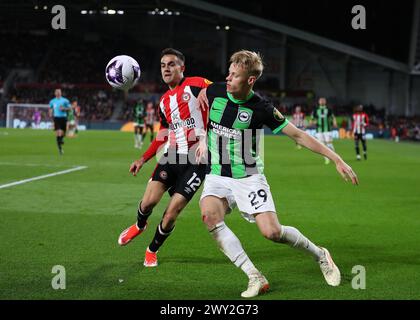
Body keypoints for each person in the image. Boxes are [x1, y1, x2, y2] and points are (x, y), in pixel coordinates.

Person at [195, 50, 358, 298]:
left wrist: (335, 158)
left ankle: (321, 255)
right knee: (209, 216)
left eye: (235, 75)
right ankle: (254, 276)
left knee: (272, 232)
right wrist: (201, 137)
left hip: (248, 177)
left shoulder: (262, 108)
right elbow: (199, 102)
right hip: (217, 175)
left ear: (250, 80)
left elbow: (299, 135)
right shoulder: (215, 91)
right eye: (228, 72)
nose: (228, 78)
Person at [118, 48, 212, 267]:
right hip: (172, 156)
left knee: (171, 213)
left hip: (197, 161)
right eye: (163, 65)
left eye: (171, 64)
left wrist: (212, 93)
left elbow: (225, 90)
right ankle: (140, 225)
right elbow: (162, 134)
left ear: (182, 68)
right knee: (148, 201)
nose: (166, 68)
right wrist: (143, 159)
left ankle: (152, 250)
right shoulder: (163, 102)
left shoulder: (198, 84)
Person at [310, 97, 337, 164]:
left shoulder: (328, 109)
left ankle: (335, 158)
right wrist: (313, 122)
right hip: (319, 130)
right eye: (320, 100)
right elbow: (311, 120)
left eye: (323, 100)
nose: (322, 101)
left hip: (327, 130)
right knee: (322, 145)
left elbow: (333, 117)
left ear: (325, 102)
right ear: (319, 102)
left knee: (329, 143)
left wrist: (334, 122)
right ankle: (327, 158)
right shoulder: (316, 110)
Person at [49, 88, 71, 155]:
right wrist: (50, 114)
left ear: (61, 93)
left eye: (59, 92)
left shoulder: (65, 100)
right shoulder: (52, 101)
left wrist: (64, 108)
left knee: (64, 132)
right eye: (57, 92)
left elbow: (70, 108)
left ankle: (61, 139)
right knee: (58, 132)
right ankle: (60, 149)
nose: (58, 93)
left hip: (63, 118)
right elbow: (50, 108)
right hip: (56, 118)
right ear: (55, 93)